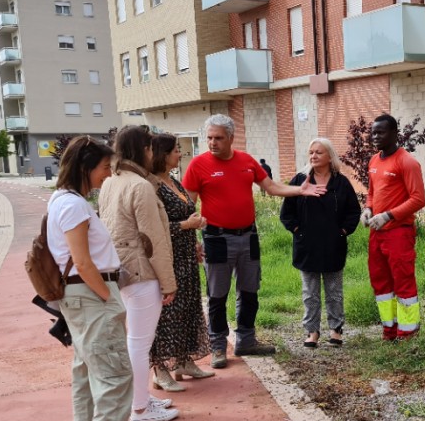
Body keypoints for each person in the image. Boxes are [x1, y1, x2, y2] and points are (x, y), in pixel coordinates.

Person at [182, 114, 326, 367]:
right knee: (217, 295)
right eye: (209, 138)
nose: (212, 143)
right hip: (216, 238)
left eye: (218, 138)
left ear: (230, 138)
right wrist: (192, 240)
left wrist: (299, 191)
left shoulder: (246, 161)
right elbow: (188, 208)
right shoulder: (198, 165)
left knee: (249, 292)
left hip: (248, 236)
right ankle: (218, 346)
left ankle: (246, 341)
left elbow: (270, 187)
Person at [47, 135, 150, 421]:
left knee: (87, 371)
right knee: (114, 375)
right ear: (85, 167)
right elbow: (83, 261)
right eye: (105, 167)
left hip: (80, 296)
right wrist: (107, 299)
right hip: (91, 294)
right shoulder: (74, 205)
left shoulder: (63, 200)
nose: (108, 174)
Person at [98, 126, 180, 421]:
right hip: (142, 270)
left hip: (120, 268)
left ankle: (140, 400)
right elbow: (153, 239)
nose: (152, 153)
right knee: (140, 343)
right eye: (149, 148)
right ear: (141, 150)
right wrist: (168, 282)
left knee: (134, 340)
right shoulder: (140, 186)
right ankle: (140, 408)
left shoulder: (111, 182)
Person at [279, 138, 361, 348]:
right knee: (310, 293)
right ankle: (312, 331)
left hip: (333, 245)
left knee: (334, 291)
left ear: (329, 156)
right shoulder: (300, 180)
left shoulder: (341, 183)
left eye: (319, 152)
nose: (313, 156)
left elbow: (353, 211)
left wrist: (342, 231)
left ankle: (336, 330)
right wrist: (298, 231)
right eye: (311, 152)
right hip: (307, 246)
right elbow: (286, 213)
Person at [148, 133, 213, 390]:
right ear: (162, 154)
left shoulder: (173, 181)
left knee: (188, 307)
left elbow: (185, 217)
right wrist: (188, 224)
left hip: (186, 254)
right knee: (167, 314)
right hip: (168, 257)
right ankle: (160, 369)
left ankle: (184, 361)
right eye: (176, 150)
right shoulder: (152, 185)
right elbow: (155, 227)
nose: (180, 154)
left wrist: (194, 237)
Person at [361, 113, 425, 340]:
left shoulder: (407, 162)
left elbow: (418, 199)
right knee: (381, 283)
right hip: (376, 233)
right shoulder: (373, 161)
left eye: (380, 132)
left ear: (394, 134)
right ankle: (389, 330)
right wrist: (368, 209)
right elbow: (371, 193)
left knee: (403, 281)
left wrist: (388, 216)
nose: (375, 137)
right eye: (373, 132)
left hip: (399, 233)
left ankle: (408, 333)